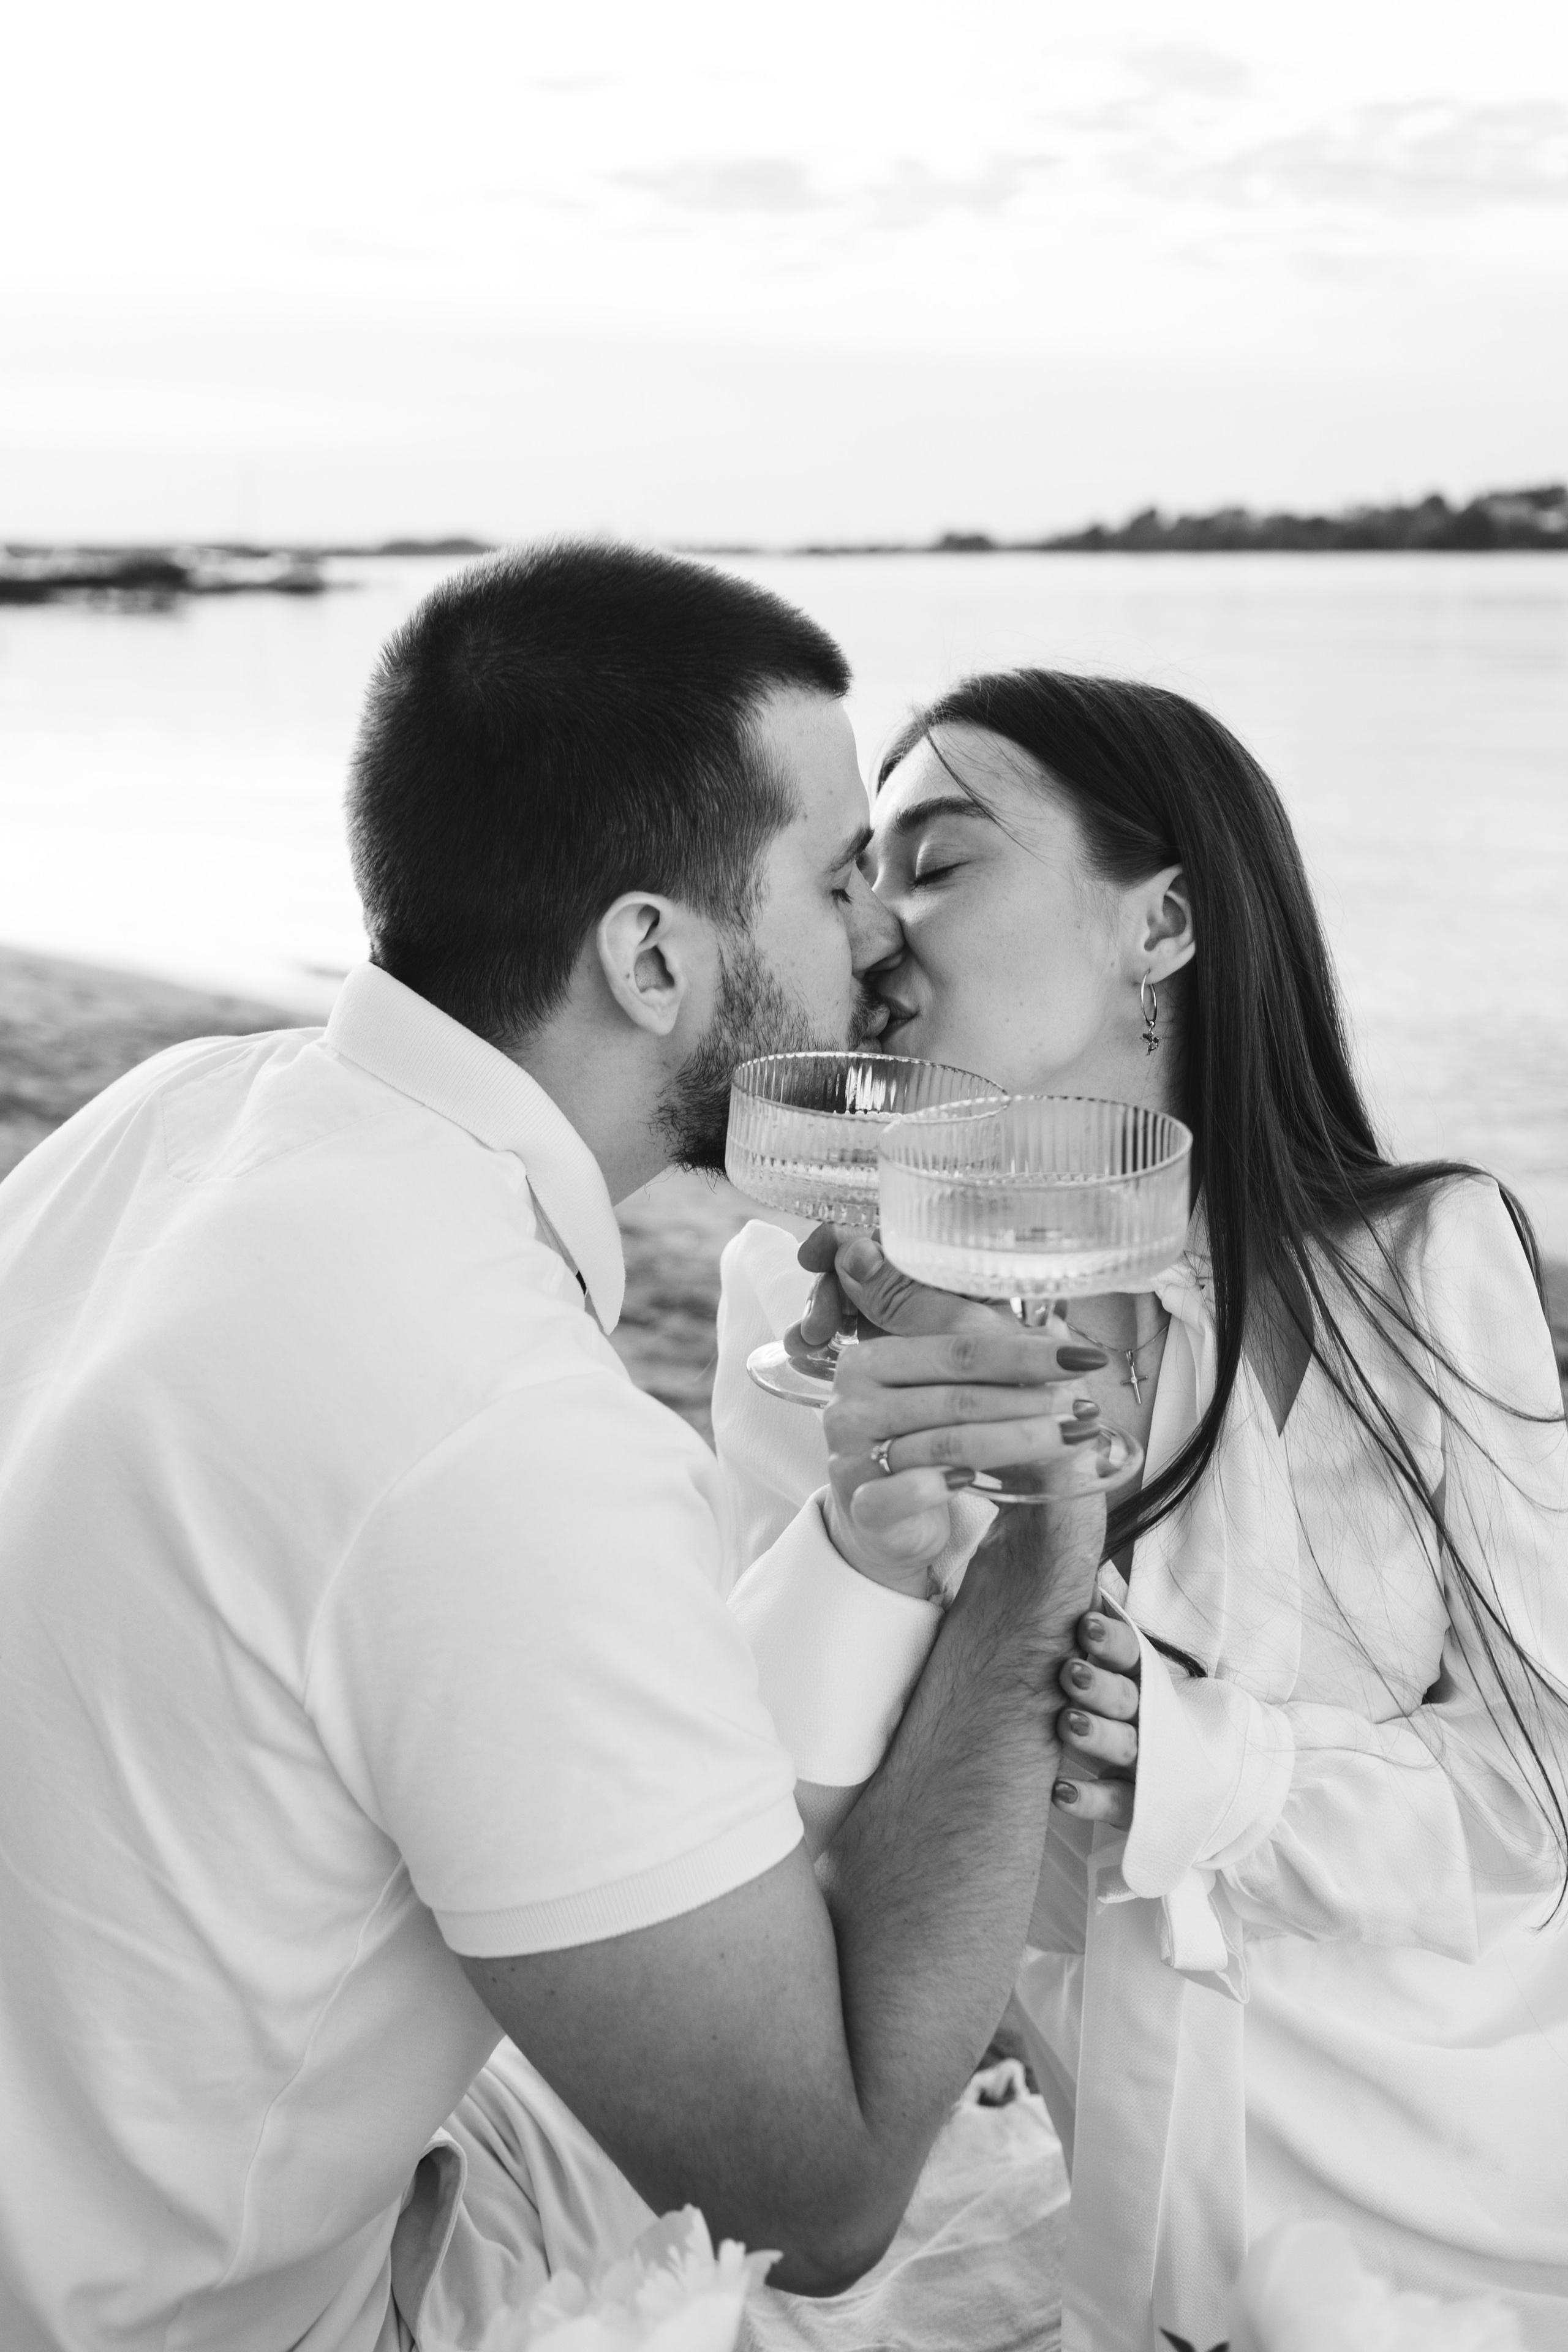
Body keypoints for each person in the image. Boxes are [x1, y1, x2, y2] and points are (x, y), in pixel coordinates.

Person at [0, 557, 1110, 2352]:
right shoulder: (497, 1422)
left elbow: (524, 1712)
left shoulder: (176, 1114)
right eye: (838, 881)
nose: (886, 938)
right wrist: (1042, 1549)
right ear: (653, 952)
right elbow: (815, 2195)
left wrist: (851, 1542)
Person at [719, 669, 1568, 2352]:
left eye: (941, 860)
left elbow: (1526, 1799)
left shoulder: (1428, 1263)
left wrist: (1205, 1763)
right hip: (1064, 2187)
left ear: (1164, 923)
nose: (877, 930)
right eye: (861, 874)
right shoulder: (797, 1302)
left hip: (1440, 2183)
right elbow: (753, 1839)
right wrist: (866, 1559)